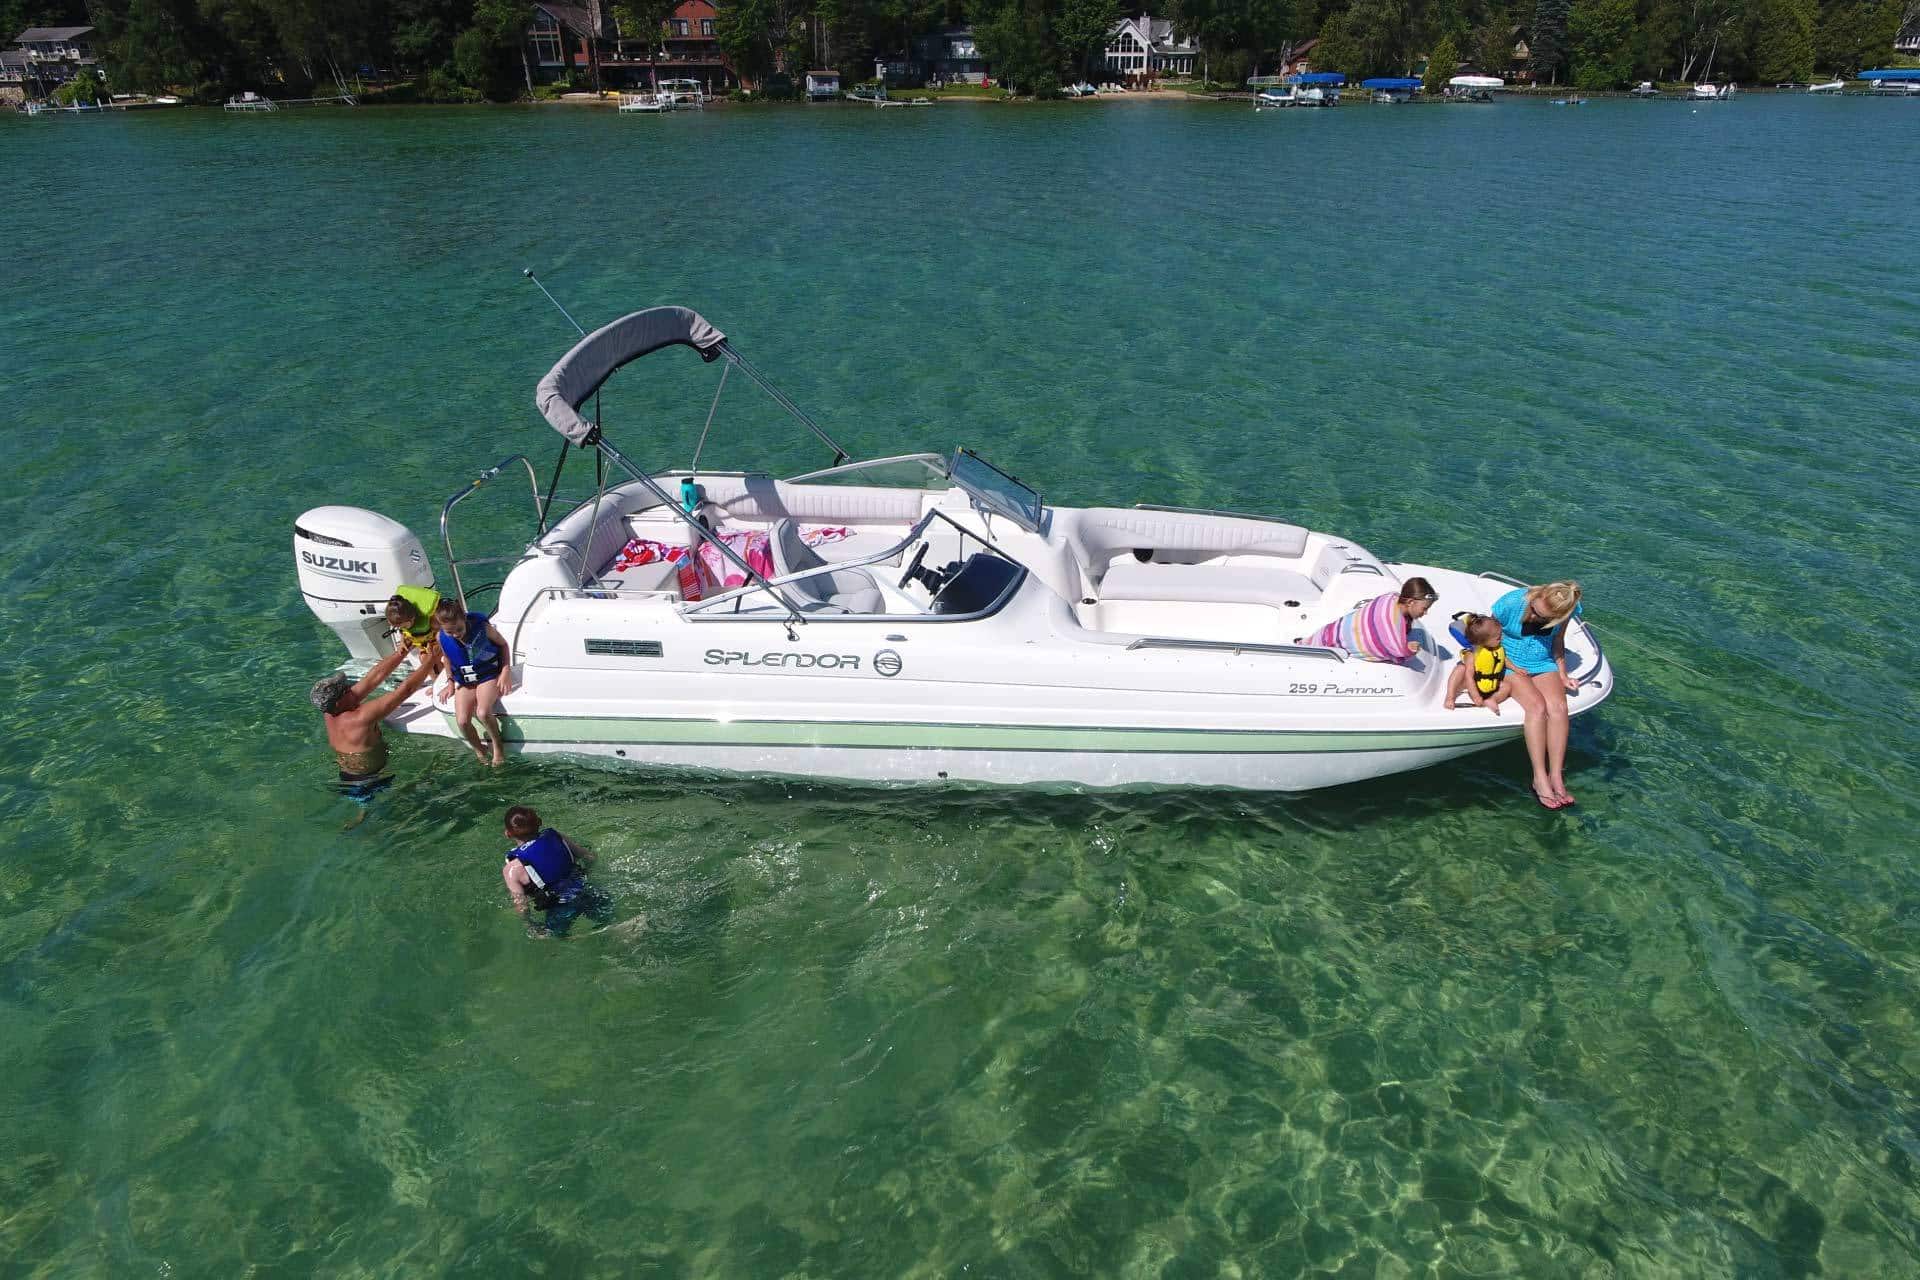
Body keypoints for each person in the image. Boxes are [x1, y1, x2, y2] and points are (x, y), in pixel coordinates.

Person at [1489, 581, 1585, 810]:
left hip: (1542, 660)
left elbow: (1558, 641)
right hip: (1509, 661)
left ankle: (1556, 777)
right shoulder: (1511, 602)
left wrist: (1562, 674)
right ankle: (1539, 778)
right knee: (1537, 707)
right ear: (1537, 595)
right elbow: (1489, 640)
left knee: (1559, 709)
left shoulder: (1567, 611)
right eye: (1535, 610)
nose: (1534, 616)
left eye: (1542, 618)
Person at [311, 644, 434, 798]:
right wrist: (431, 659)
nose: (350, 688)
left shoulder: (330, 711)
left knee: (362, 813)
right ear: (338, 703)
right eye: (345, 689)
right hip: (369, 780)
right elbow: (405, 690)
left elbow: (374, 677)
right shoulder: (358, 718)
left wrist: (403, 650)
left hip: (349, 775)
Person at [434, 599, 514, 766]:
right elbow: (447, 659)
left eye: (459, 629)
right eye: (450, 632)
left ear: (464, 618)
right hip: (466, 679)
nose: (456, 634)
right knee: (462, 720)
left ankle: (497, 745)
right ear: (441, 627)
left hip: (487, 675)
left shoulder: (482, 628)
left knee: (483, 712)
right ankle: (479, 749)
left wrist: (505, 670)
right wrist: (450, 683)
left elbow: (504, 645)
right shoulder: (441, 637)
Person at [501, 805, 597, 934]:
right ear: (539, 822)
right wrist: (588, 873)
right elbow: (590, 858)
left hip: (561, 907)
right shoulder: (557, 837)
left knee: (552, 936)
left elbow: (522, 907)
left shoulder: (512, 869)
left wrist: (529, 925)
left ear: (508, 834)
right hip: (588, 891)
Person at [1302, 577, 1440, 663]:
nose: (1426, 613)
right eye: (1424, 608)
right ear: (1410, 602)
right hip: (1327, 642)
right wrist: (1408, 649)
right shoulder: (1390, 622)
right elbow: (1396, 651)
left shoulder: (1391, 597)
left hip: (1330, 630)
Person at [1445, 611, 1513, 713]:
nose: (1502, 638)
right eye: (1498, 638)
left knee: (1507, 687)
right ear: (1483, 641)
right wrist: (1475, 696)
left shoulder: (1497, 648)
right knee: (1460, 669)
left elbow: (1503, 659)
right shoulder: (1472, 655)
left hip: (1490, 683)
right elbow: (1469, 677)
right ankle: (1449, 697)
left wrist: (1516, 668)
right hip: (1473, 686)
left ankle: (1492, 699)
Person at [383, 586, 444, 673]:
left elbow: (443, 632)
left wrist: (438, 644)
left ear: (411, 619)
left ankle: (443, 677)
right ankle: (436, 682)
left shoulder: (431, 621)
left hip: (436, 642)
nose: (401, 628)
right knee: (423, 659)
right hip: (424, 644)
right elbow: (403, 632)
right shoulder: (404, 623)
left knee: (430, 660)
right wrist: (402, 642)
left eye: (403, 626)